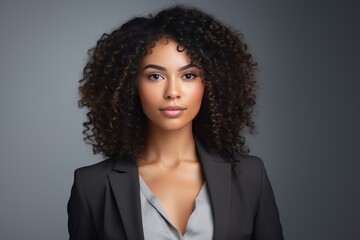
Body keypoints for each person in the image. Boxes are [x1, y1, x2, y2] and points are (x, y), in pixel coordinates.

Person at [67, 5, 284, 240]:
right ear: (130, 86)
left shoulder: (250, 176)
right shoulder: (92, 186)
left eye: (188, 75)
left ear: (211, 84)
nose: (172, 92)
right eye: (155, 76)